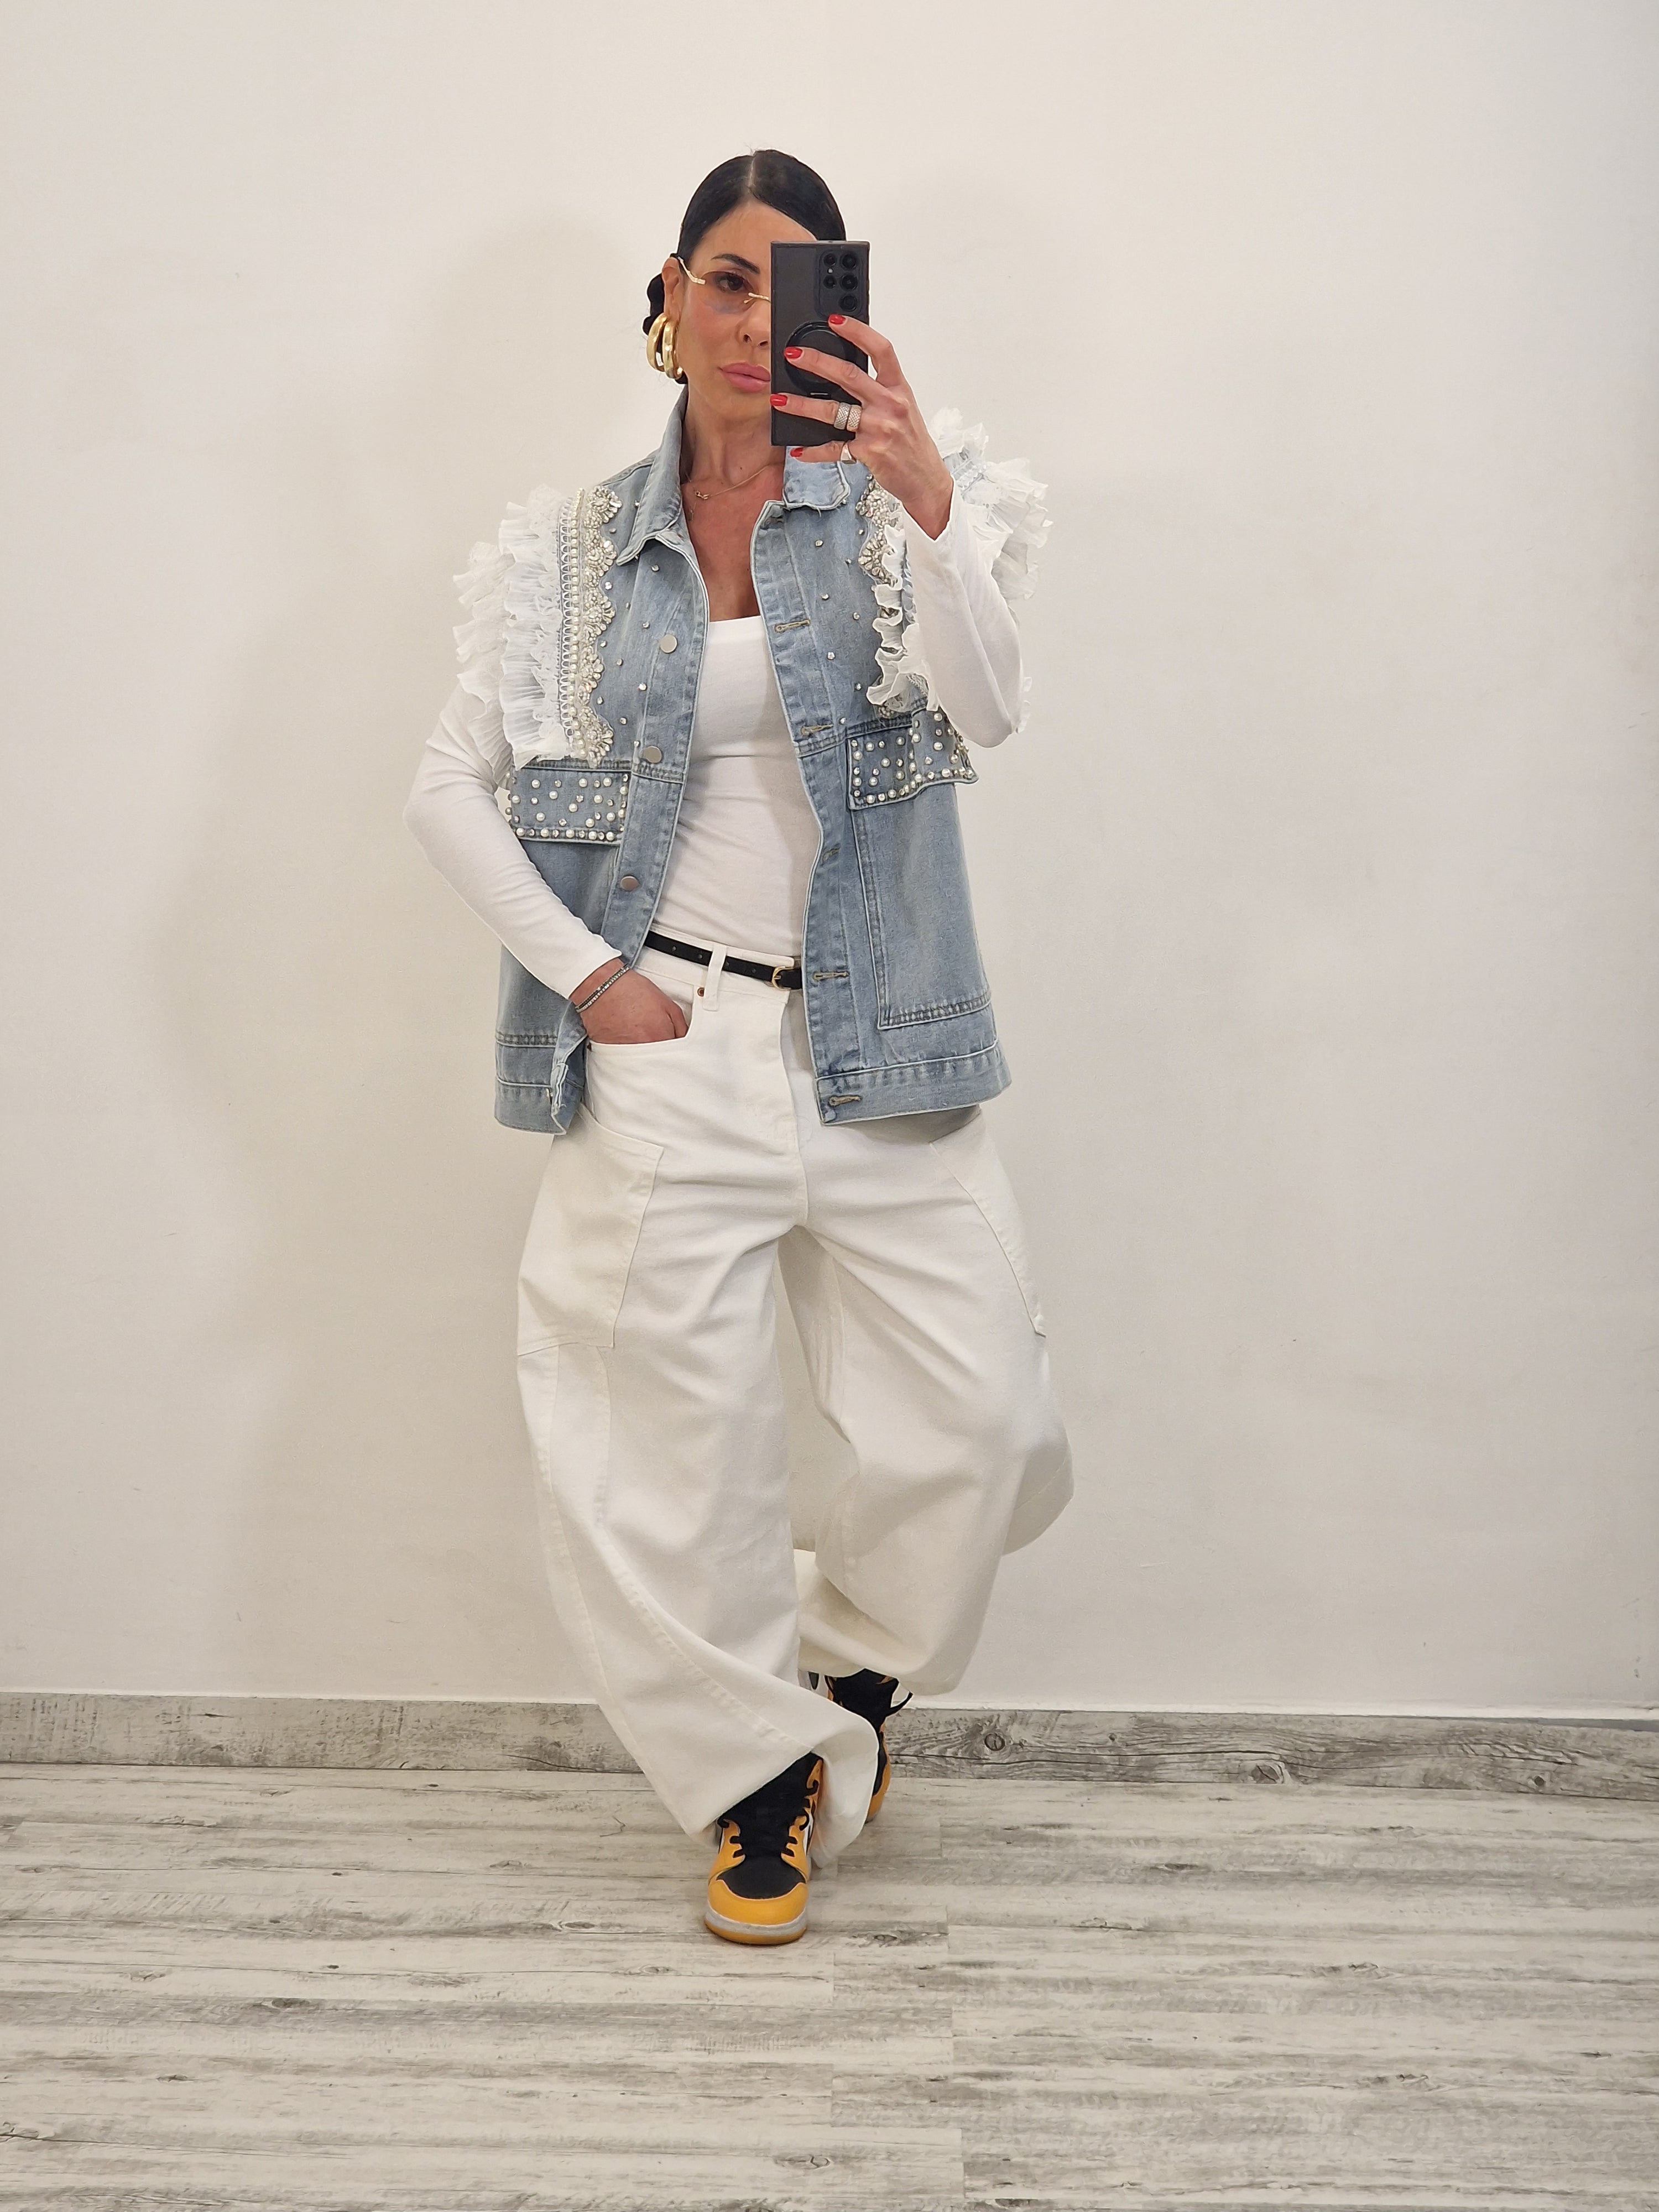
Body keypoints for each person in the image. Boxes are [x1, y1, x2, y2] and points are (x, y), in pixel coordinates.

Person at [404, 150, 1072, 1947]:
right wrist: (590, 980)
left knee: (983, 1421)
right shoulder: (572, 550)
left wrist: (929, 505)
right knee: (661, 1454)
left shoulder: (901, 509)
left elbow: (993, 706)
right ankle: (754, 1779)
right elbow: (445, 788)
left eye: (795, 289)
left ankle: (847, 1682)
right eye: (724, 280)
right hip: (671, 1046)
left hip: (882, 1043)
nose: (754, 321)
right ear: (670, 298)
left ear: (842, 314)